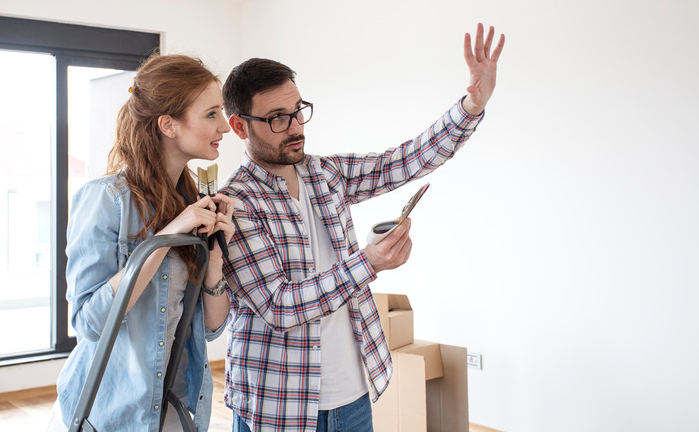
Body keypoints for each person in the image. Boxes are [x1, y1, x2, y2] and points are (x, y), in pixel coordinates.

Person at [219, 23, 505, 432]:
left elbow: (405, 160)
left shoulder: (326, 173)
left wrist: (471, 106)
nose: (296, 127)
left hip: (353, 395)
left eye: (298, 111)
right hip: (276, 404)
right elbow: (280, 306)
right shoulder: (235, 204)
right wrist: (368, 263)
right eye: (277, 119)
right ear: (239, 127)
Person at [48, 53, 235, 432]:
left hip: (171, 406)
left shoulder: (193, 204)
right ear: (169, 124)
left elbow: (210, 329)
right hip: (107, 412)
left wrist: (215, 257)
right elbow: (90, 322)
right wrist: (164, 239)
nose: (225, 127)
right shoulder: (106, 199)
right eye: (211, 114)